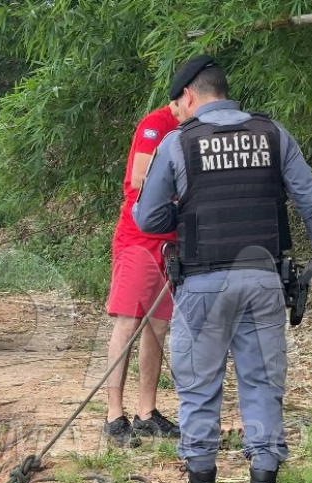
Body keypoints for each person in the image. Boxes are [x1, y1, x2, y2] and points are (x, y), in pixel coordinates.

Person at [134, 55, 312, 483]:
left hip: (204, 284)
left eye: (177, 103)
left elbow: (147, 219)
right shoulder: (273, 135)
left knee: (198, 391)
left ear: (189, 94)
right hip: (263, 281)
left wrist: (185, 215)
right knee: (263, 387)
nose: (176, 111)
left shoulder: (177, 143)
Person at [102, 100, 184, 448]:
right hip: (139, 239)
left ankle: (146, 413)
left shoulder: (191, 129)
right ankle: (113, 417)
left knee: (158, 326)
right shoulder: (157, 123)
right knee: (128, 323)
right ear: (185, 96)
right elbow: (140, 176)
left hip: (169, 242)